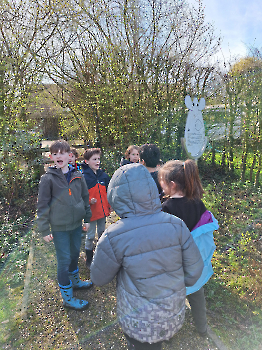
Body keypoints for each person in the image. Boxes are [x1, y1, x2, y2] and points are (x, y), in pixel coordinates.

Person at [90, 164, 204, 350]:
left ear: (116, 197)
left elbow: (98, 278)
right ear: (152, 189)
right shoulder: (176, 225)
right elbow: (195, 270)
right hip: (172, 313)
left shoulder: (113, 236)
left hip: (138, 322)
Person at [158, 159, 219, 336]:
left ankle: (169, 333)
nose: (161, 187)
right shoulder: (198, 203)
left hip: (175, 267)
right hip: (195, 264)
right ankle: (202, 329)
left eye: (162, 183)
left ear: (172, 184)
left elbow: (164, 242)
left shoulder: (166, 209)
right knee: (197, 296)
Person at [36, 139, 92, 311]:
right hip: (59, 228)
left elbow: (84, 198)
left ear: (70, 156)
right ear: (51, 157)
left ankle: (75, 281)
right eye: (55, 154)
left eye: (62, 153)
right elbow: (42, 205)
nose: (58, 156)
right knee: (64, 260)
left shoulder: (78, 175)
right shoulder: (47, 179)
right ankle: (67, 298)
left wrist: (88, 218)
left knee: (75, 253)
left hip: (76, 225)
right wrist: (44, 229)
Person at [81, 148, 111, 268]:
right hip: (91, 213)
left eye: (98, 159)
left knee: (102, 233)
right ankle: (89, 257)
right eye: (94, 159)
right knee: (90, 236)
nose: (97, 161)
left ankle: (101, 255)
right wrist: (89, 201)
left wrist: (110, 205)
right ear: (87, 161)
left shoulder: (103, 176)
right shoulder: (84, 178)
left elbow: (109, 192)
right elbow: (80, 196)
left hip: (103, 212)